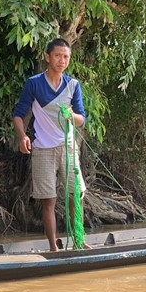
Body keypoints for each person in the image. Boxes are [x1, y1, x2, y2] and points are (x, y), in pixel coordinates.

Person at [12, 37, 87, 252]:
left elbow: (82, 119)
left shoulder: (73, 85)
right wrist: (22, 136)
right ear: (48, 57)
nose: (62, 60)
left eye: (66, 57)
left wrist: (72, 115)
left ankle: (79, 242)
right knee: (49, 200)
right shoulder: (34, 83)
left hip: (68, 147)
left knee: (77, 195)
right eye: (57, 56)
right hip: (43, 149)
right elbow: (18, 115)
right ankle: (53, 247)